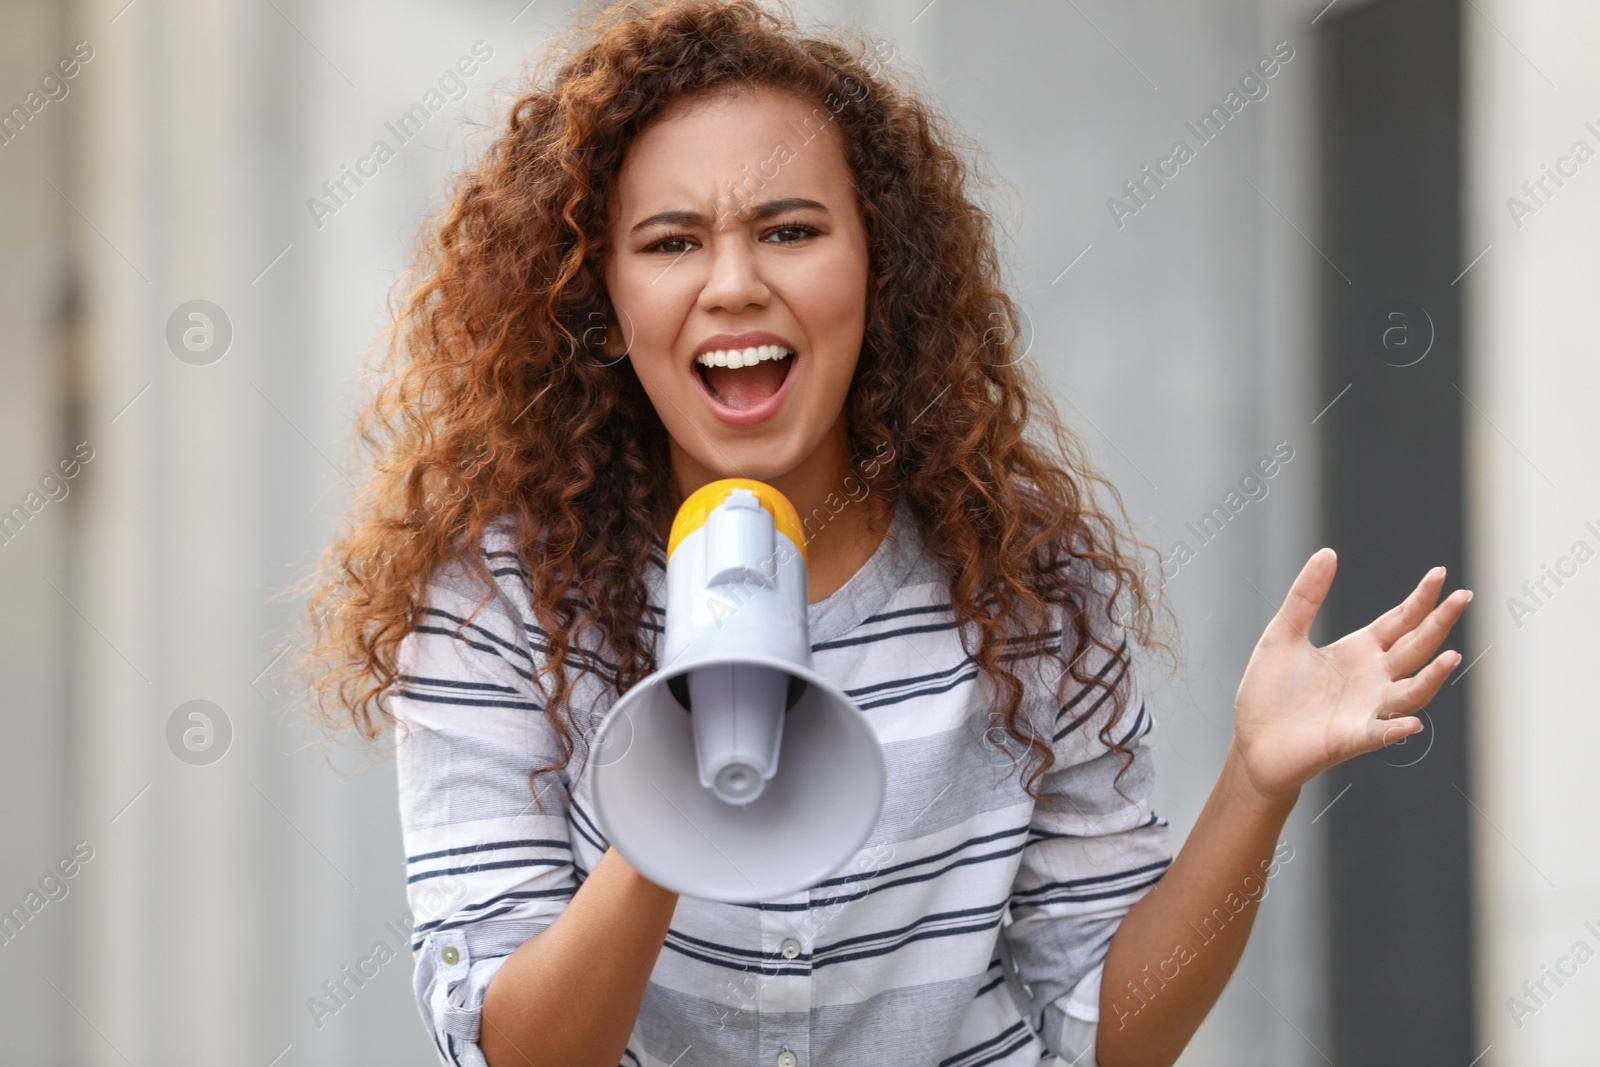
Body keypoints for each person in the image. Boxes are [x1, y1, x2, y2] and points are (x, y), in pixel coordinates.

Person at [298, 2, 1471, 1065]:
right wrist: (673, 808)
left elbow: (1107, 1036)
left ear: (879, 265)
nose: (734, 283)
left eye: (790, 229)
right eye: (669, 243)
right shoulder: (493, 602)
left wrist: (1253, 786)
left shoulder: (1018, 583)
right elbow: (509, 1046)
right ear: (599, 298)